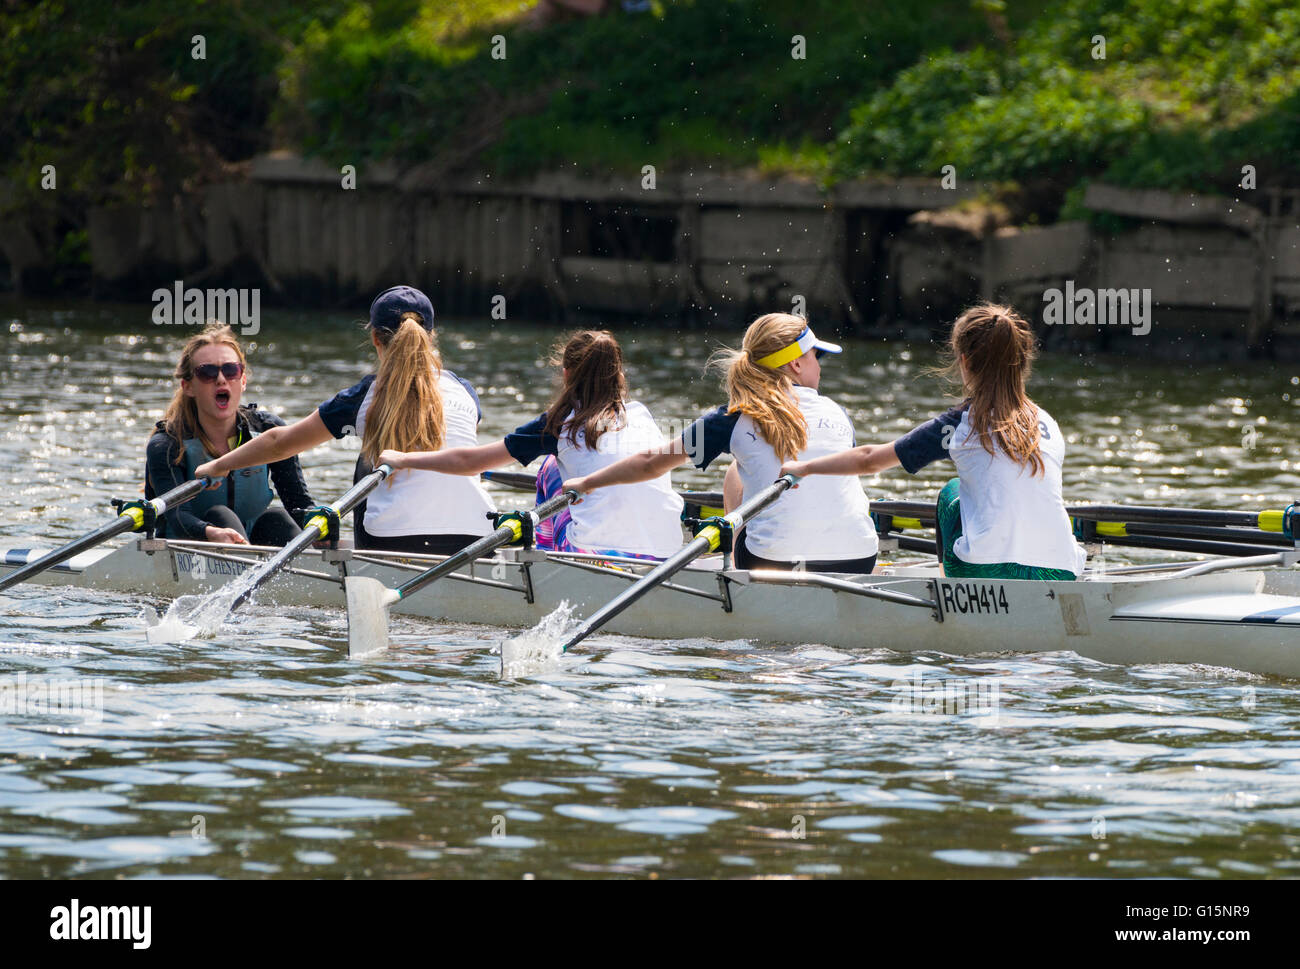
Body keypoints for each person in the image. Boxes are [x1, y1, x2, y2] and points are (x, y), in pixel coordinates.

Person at [782, 303, 1086, 580]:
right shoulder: (1048, 423)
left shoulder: (963, 422)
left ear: (965, 362)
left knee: (950, 493)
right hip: (1062, 570)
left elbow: (869, 459)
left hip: (987, 568)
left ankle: (948, 591)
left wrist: (804, 467)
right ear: (1021, 362)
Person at [560, 313, 879, 573]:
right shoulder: (838, 412)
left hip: (772, 564)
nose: (819, 366)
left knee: (735, 473)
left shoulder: (733, 418)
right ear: (796, 364)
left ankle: (738, 579)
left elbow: (650, 464)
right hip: (860, 559)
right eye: (815, 356)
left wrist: (587, 482)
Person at [194, 286, 495, 554]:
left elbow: (278, 443)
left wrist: (218, 465)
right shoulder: (466, 391)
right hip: (475, 540)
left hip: (393, 543)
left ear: (375, 338)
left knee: (368, 461)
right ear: (431, 337)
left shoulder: (365, 395)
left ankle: (358, 566)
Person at [379, 330, 683, 560]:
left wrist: (405, 459)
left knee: (551, 466)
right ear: (619, 376)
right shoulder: (643, 415)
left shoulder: (560, 423)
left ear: (566, 374)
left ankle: (546, 563)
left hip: (592, 554)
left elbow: (469, 462)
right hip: (666, 554)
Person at [145, 322, 313, 546]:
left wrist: (318, 519)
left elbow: (298, 503)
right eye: (207, 372)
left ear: (242, 381)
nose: (221, 379)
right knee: (220, 515)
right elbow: (176, 517)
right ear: (188, 387)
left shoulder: (268, 430)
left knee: (278, 518)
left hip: (250, 548)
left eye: (230, 370)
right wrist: (211, 532)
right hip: (192, 549)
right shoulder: (167, 445)